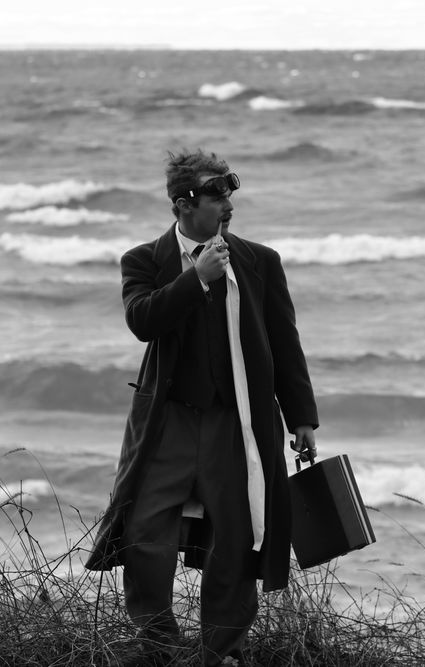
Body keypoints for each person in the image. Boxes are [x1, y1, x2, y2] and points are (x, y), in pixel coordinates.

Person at [85, 149, 319, 666]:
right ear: (182, 205)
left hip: (235, 421)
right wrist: (197, 279)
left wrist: (302, 416)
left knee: (236, 538)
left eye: (229, 194)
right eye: (216, 197)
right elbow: (142, 320)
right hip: (167, 422)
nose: (228, 205)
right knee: (144, 532)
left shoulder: (260, 260)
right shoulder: (143, 260)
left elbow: (285, 343)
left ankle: (222, 652)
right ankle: (160, 647)